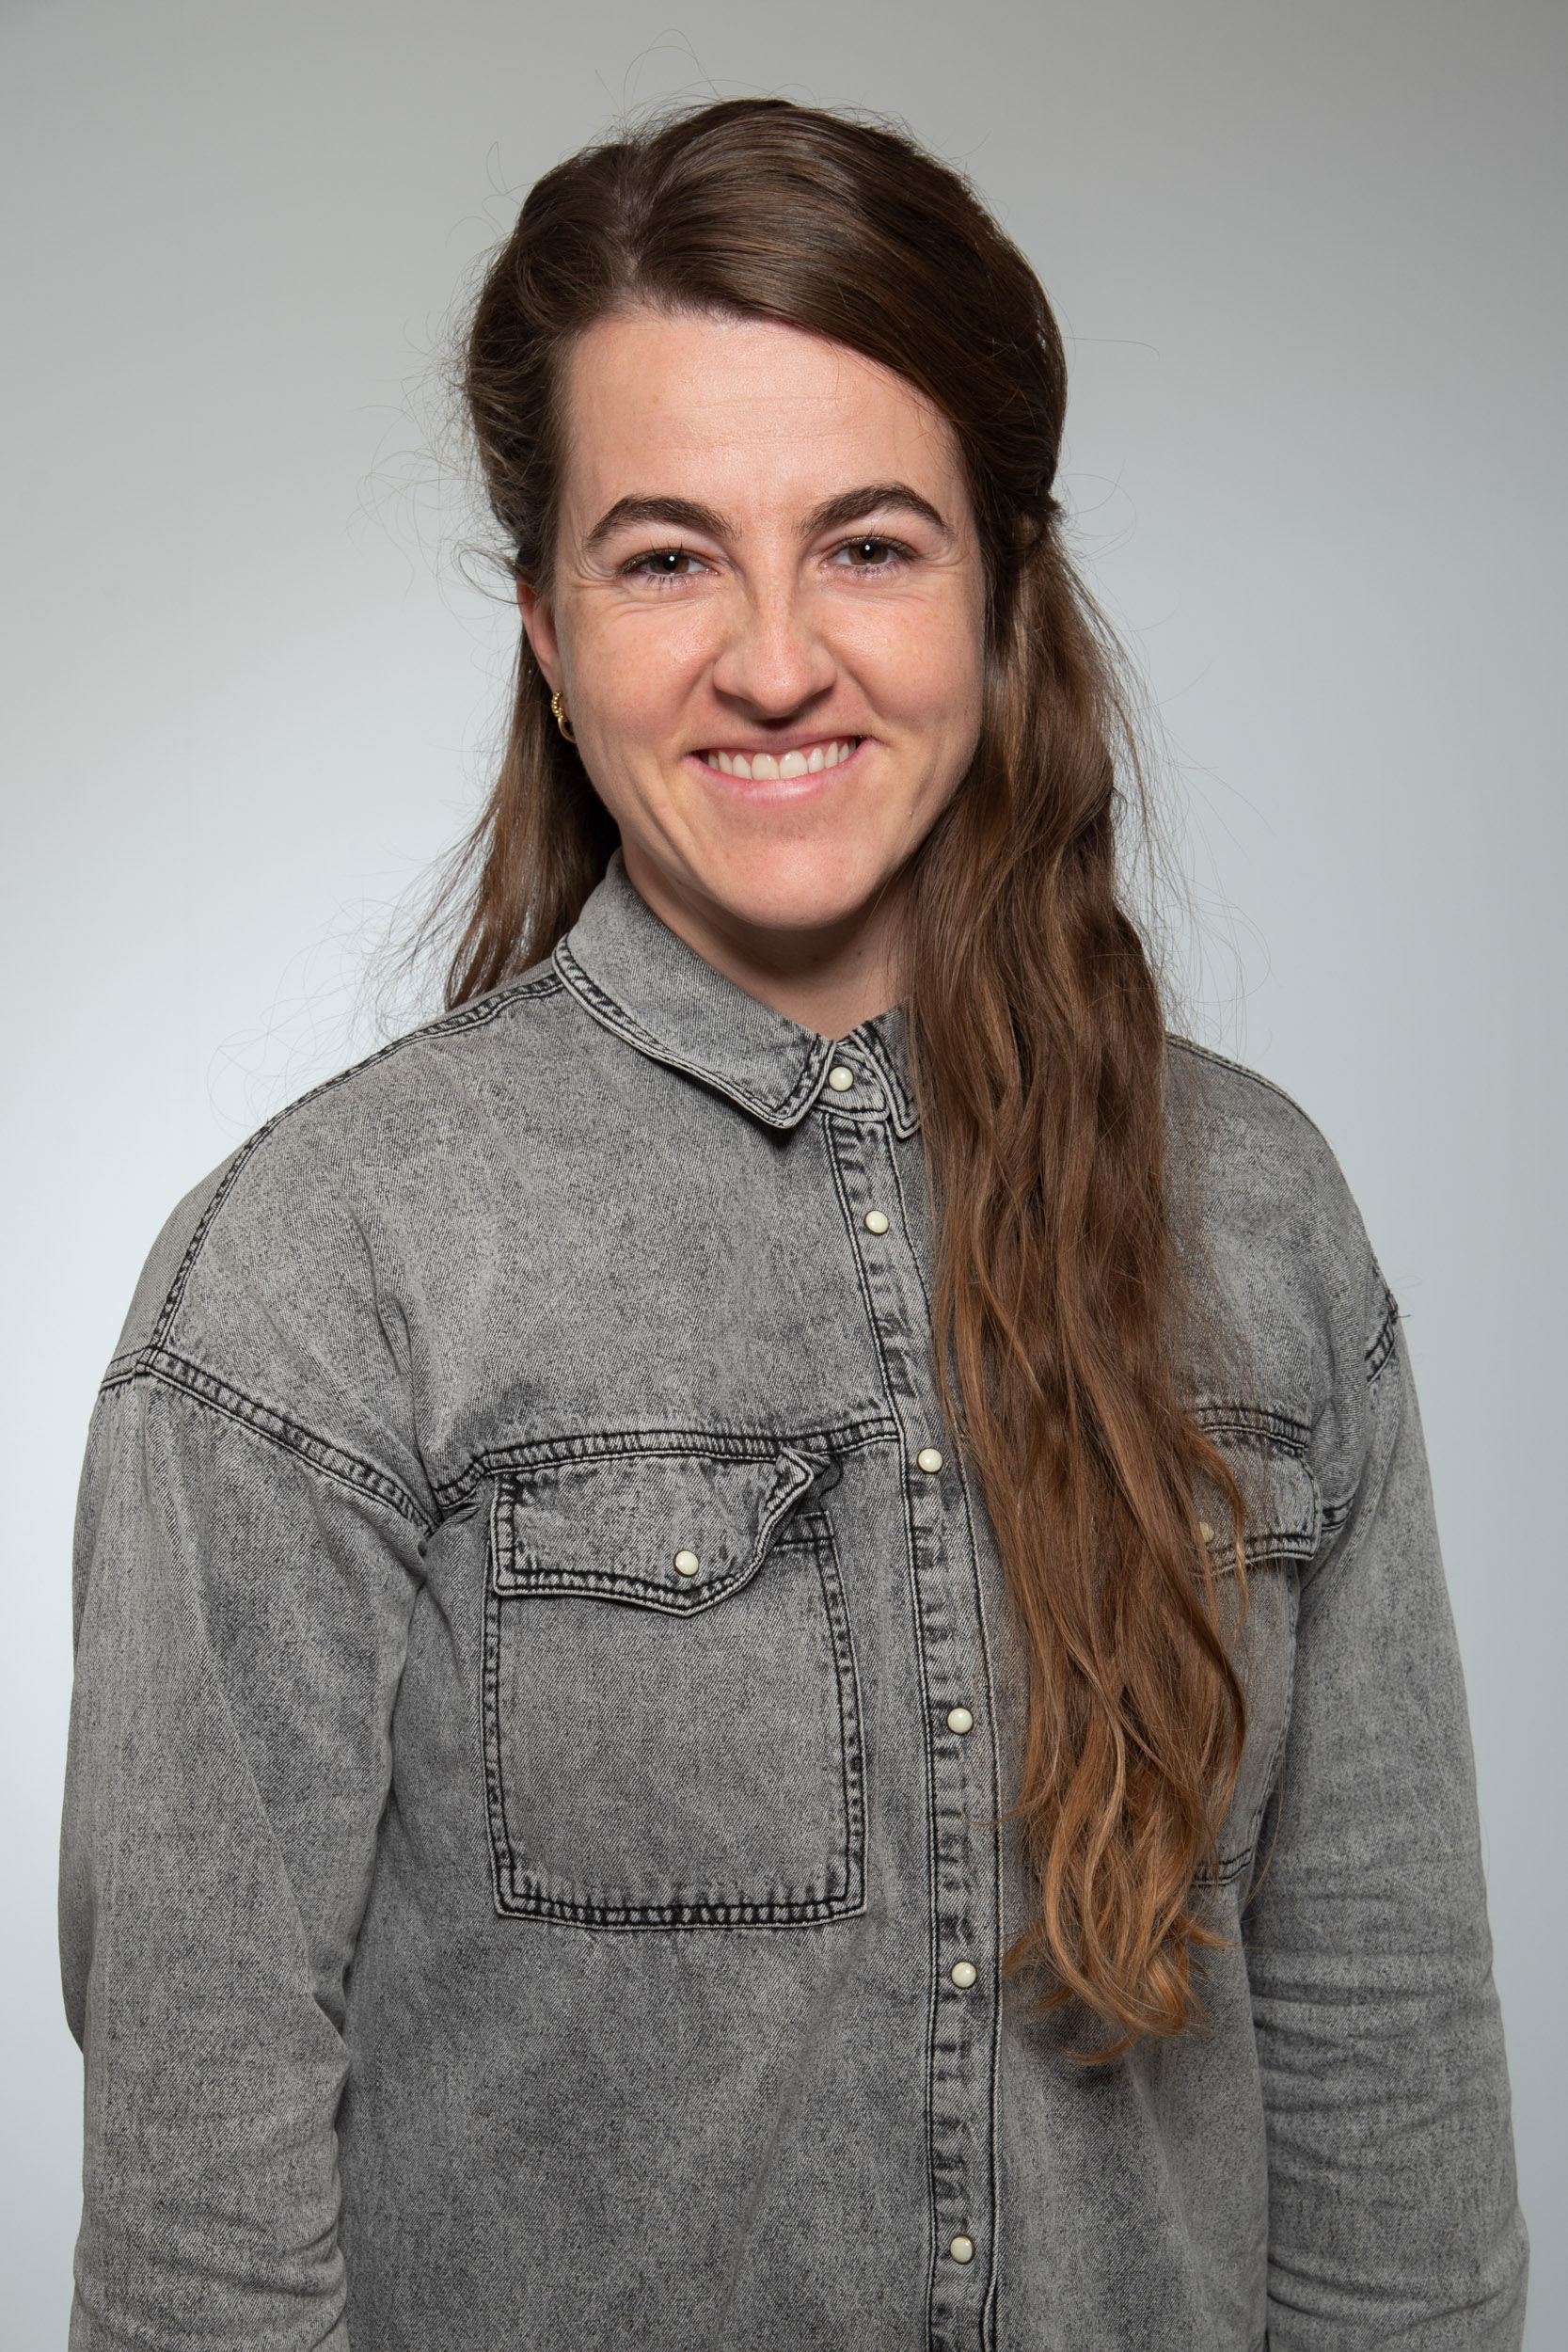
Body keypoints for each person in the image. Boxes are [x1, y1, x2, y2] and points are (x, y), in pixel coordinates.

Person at [59, 98, 1527, 2351]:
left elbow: (1387, 2104)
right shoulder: (321, 1279)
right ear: (549, 633)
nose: (772, 658)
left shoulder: (1264, 1221)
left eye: (868, 543)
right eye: (667, 558)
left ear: (1003, 593)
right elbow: (204, 2239)